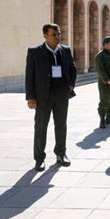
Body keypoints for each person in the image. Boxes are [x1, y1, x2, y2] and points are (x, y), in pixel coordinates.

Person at [25, 23, 76, 171]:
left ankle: (61, 154)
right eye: (54, 34)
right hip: (42, 97)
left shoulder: (65, 50)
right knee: (41, 127)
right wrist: (31, 97)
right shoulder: (35, 52)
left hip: (62, 95)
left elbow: (72, 69)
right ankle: (39, 158)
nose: (58, 37)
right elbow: (30, 76)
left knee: (61, 126)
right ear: (45, 35)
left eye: (59, 33)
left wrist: (71, 86)